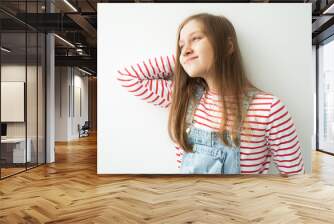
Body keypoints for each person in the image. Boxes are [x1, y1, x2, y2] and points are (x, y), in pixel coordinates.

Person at [117, 13, 304, 175]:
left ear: (227, 46)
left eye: (196, 38)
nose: (186, 49)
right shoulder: (183, 98)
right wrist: (184, 59)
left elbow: (295, 179)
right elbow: (127, 77)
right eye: (181, 45)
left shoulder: (268, 109)